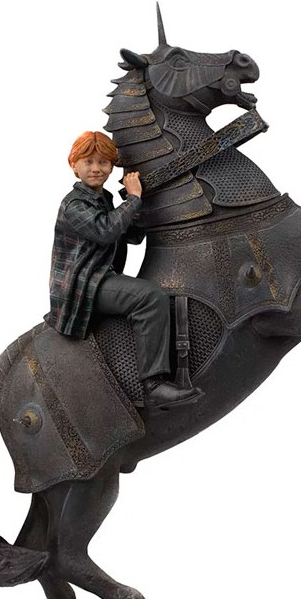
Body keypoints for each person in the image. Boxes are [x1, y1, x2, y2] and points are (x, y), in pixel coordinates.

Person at [47, 131, 200, 410]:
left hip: (98, 277)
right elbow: (106, 230)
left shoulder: (102, 199)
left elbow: (130, 235)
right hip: (83, 285)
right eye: (89, 162)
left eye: (103, 162)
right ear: (74, 165)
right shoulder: (75, 204)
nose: (96, 168)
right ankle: (153, 385)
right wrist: (133, 199)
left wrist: (143, 202)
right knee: (149, 297)